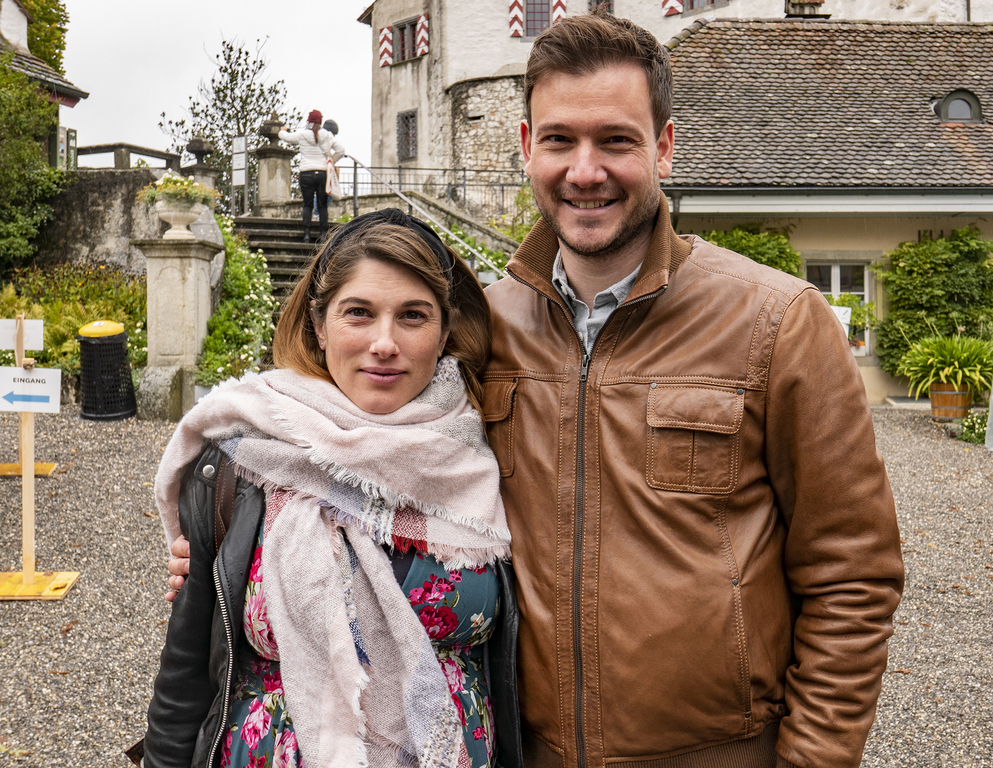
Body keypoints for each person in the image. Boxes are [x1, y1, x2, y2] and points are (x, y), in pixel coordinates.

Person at [170, 11, 904, 768]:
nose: (584, 170)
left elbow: (851, 573)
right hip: (523, 751)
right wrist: (232, 552)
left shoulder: (777, 321)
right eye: (559, 140)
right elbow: (358, 446)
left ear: (663, 146)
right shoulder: (483, 328)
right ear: (526, 148)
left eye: (615, 140)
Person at [146, 210, 520, 768]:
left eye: (413, 316)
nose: (384, 343)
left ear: (445, 331)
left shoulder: (494, 451)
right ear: (319, 326)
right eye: (358, 314)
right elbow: (184, 675)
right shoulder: (240, 460)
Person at [279, 109, 345, 242]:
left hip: (306, 173)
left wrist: (282, 130)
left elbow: (286, 137)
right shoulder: (327, 135)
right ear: (320, 122)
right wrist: (331, 161)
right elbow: (341, 150)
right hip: (322, 173)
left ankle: (307, 235)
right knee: (322, 205)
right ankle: (323, 235)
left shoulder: (303, 134)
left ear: (309, 122)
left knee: (307, 205)